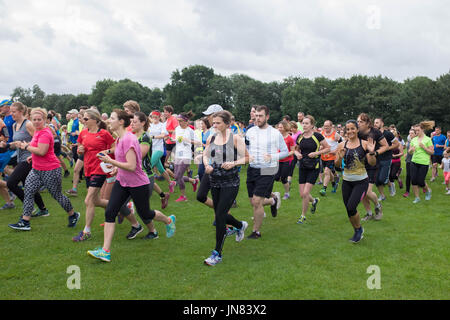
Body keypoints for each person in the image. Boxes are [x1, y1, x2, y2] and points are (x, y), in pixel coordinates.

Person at [88, 109, 176, 262]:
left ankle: (168, 220)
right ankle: (105, 251)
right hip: (122, 181)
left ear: (121, 122)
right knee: (110, 212)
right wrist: (115, 168)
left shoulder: (129, 139)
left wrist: (110, 161)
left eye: (112, 118)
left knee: (146, 214)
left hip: (138, 184)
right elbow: (124, 164)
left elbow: (131, 166)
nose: (109, 120)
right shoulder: (119, 139)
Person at [8, 108, 80, 231]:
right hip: (36, 169)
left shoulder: (45, 133)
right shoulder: (37, 131)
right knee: (29, 192)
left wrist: (26, 146)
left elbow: (42, 151)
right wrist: (32, 155)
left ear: (45, 120)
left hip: (50, 169)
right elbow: (39, 149)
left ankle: (73, 214)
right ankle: (25, 221)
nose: (36, 122)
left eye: (39, 119)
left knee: (57, 195)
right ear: (31, 119)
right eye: (34, 119)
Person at [203, 111, 249, 266]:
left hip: (231, 183)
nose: (214, 125)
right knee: (219, 212)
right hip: (215, 181)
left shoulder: (235, 138)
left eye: (218, 123)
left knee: (220, 216)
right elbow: (205, 154)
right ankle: (240, 225)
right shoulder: (212, 137)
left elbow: (248, 158)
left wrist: (234, 163)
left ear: (228, 124)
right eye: (213, 123)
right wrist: (207, 164)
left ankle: (217, 254)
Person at [71, 109, 115, 242]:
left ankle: (86, 231)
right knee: (96, 201)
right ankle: (121, 208)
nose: (83, 121)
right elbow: (79, 147)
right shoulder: (83, 133)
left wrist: (106, 151)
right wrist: (80, 149)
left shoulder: (104, 134)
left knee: (88, 200)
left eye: (85, 119)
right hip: (88, 168)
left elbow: (115, 147)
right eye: (82, 119)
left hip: (100, 169)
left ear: (95, 120)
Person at [245, 105, 288, 238]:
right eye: (256, 116)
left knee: (257, 201)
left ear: (267, 117)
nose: (257, 118)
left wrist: (272, 157)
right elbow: (246, 147)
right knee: (253, 201)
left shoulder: (275, 133)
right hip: (252, 168)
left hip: (268, 168)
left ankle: (256, 231)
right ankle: (272, 200)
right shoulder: (250, 131)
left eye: (260, 116)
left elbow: (286, 151)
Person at [2, 102, 48, 216]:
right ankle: (43, 210)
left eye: (13, 112)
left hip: (29, 159)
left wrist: (28, 147)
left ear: (21, 112)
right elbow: (16, 143)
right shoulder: (14, 125)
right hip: (20, 158)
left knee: (11, 183)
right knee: (29, 186)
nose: (11, 114)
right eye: (11, 112)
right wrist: (6, 145)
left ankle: (29, 206)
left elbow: (39, 140)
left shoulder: (28, 124)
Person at [334, 120, 377, 243]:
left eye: (352, 128)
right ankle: (357, 230)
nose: (350, 131)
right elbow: (336, 165)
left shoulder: (364, 144)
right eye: (347, 129)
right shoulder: (341, 145)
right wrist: (340, 157)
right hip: (347, 181)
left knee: (352, 206)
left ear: (357, 129)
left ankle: (358, 230)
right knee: (348, 209)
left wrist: (372, 152)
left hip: (361, 182)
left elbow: (372, 163)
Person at [295, 115, 330, 224]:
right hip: (302, 166)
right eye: (303, 123)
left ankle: (303, 216)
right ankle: (314, 201)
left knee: (305, 193)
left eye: (306, 123)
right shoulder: (300, 137)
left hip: (314, 167)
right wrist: (297, 154)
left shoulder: (317, 136)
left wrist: (316, 153)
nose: (304, 125)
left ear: (312, 125)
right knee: (302, 194)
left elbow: (328, 148)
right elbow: (295, 150)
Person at [357, 113, 388, 221]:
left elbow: (386, 146)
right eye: (358, 121)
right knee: (361, 192)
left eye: (361, 122)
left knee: (367, 191)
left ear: (367, 123)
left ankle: (377, 205)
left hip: (372, 164)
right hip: (360, 164)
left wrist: (375, 153)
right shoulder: (357, 132)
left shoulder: (375, 132)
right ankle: (369, 213)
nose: (358, 124)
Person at [173, 111, 200, 202]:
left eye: (181, 121)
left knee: (178, 176)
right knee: (177, 176)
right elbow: (176, 139)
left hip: (186, 155)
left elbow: (198, 142)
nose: (179, 122)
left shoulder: (190, 131)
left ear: (186, 121)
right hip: (178, 154)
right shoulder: (177, 129)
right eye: (178, 121)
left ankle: (183, 196)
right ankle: (193, 181)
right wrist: (171, 139)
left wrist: (188, 140)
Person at [148, 110, 175, 197]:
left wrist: (153, 137)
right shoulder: (150, 126)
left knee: (148, 167)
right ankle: (171, 183)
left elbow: (164, 135)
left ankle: (147, 187)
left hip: (159, 150)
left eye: (156, 117)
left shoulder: (162, 125)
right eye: (153, 117)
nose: (154, 119)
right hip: (151, 149)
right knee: (161, 169)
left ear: (159, 117)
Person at [373, 118, 400, 201]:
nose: (375, 124)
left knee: (382, 179)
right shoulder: (373, 134)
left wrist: (386, 148)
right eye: (374, 123)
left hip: (386, 159)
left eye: (377, 122)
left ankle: (390, 185)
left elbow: (397, 144)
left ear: (382, 123)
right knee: (376, 180)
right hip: (376, 159)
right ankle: (382, 196)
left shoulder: (388, 134)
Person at [409, 121, 434, 203]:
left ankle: (428, 191)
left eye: (418, 130)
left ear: (422, 130)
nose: (416, 132)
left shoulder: (428, 140)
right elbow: (409, 151)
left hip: (424, 163)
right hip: (414, 162)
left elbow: (432, 152)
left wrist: (424, 147)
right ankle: (417, 198)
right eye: (415, 131)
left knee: (420, 181)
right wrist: (411, 150)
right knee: (413, 181)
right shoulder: (414, 140)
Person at [320, 120, 341, 196]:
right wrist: (320, 147)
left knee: (326, 171)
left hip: (332, 157)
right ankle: (334, 184)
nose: (325, 127)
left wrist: (335, 151)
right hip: (323, 156)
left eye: (327, 126)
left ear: (331, 126)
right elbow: (320, 143)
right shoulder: (321, 133)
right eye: (324, 126)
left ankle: (324, 189)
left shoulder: (336, 135)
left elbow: (342, 144)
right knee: (329, 172)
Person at [275, 121, 295, 200]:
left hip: (288, 160)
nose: (279, 129)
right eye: (278, 127)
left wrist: (284, 154)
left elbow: (293, 151)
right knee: (276, 177)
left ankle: (287, 193)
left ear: (285, 128)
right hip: (278, 160)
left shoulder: (290, 138)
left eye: (281, 127)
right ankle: (287, 183)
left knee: (283, 178)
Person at [387, 127, 404, 196]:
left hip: (396, 161)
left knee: (392, 175)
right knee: (389, 176)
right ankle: (393, 190)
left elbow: (402, 153)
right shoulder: (389, 144)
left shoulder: (399, 144)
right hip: (389, 161)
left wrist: (395, 155)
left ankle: (398, 178)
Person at [403, 128, 417, 198]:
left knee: (416, 176)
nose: (410, 134)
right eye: (409, 133)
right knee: (408, 176)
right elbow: (408, 149)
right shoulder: (408, 140)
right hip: (408, 160)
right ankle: (407, 191)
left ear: (415, 134)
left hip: (416, 160)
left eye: (412, 133)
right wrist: (406, 154)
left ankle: (423, 185)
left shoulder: (418, 141)